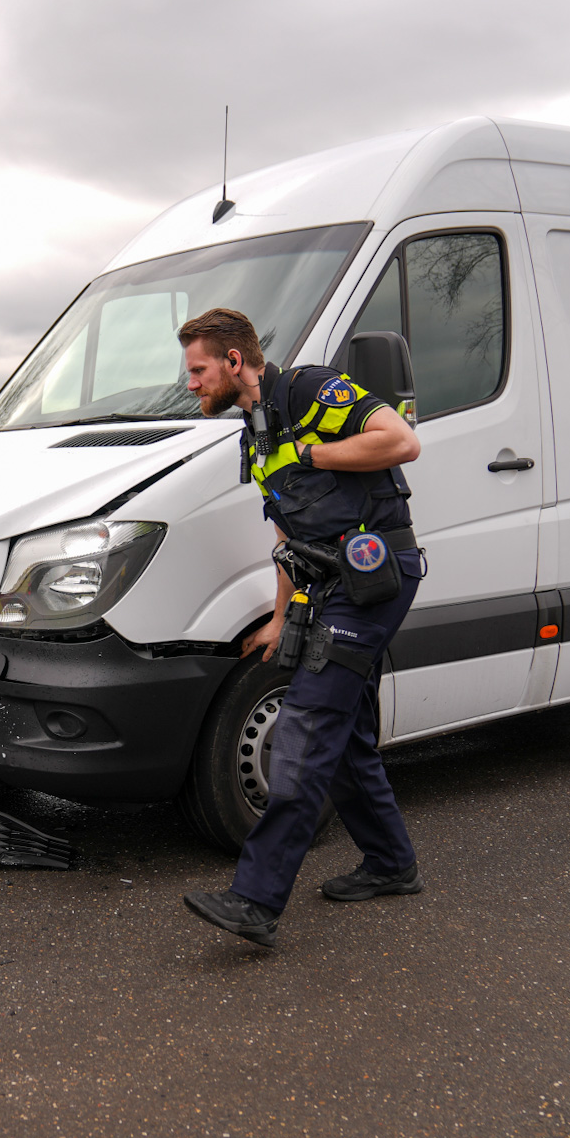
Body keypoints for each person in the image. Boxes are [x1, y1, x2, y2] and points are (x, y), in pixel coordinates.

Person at [177, 307, 427, 948]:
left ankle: (256, 901)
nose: (191, 384)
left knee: (306, 726)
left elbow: (401, 441)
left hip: (373, 576)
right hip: (325, 584)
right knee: (343, 734)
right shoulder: (252, 437)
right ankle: (390, 864)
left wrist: (313, 451)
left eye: (198, 370)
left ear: (235, 362)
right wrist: (281, 613)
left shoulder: (312, 391)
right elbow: (287, 534)